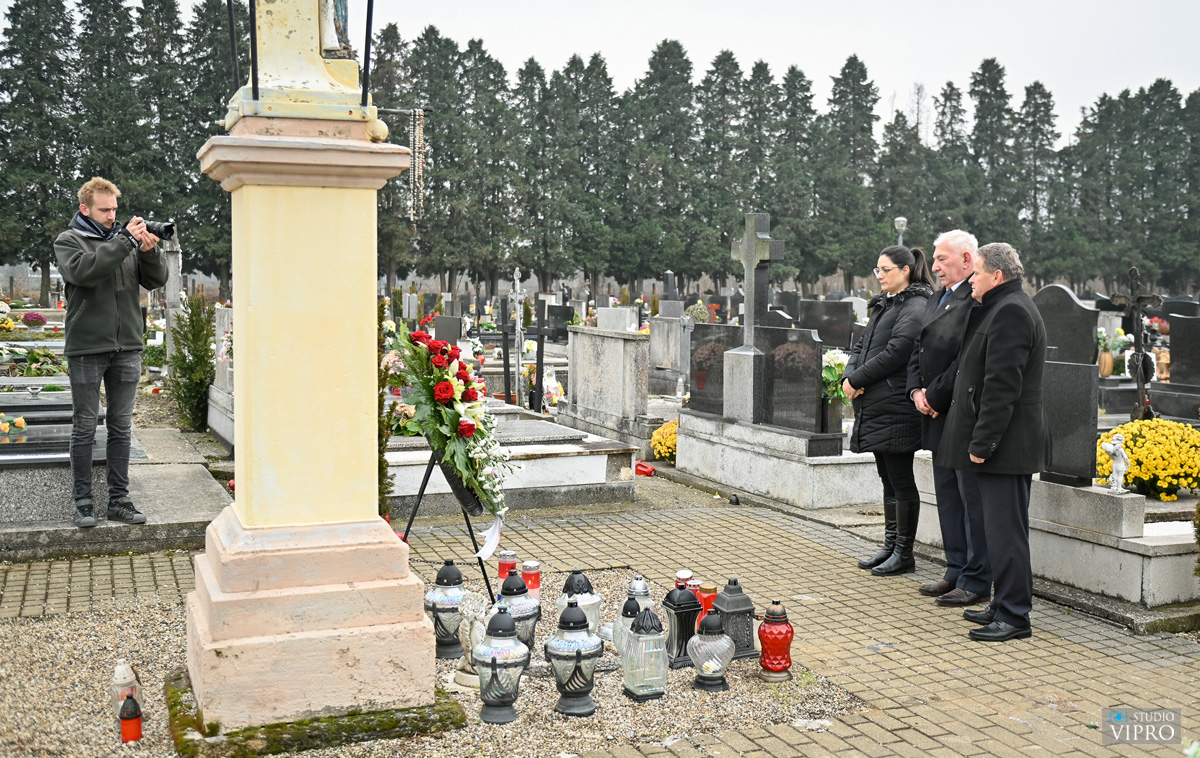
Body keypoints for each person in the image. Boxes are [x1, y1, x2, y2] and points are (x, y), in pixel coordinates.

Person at [935, 243, 1046, 642]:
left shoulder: (1012, 311)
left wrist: (982, 443)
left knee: (1006, 533)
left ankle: (1015, 616)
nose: (972, 280)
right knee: (999, 532)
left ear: (997, 276)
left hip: (1008, 445)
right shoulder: (999, 306)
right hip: (1003, 443)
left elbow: (1002, 388)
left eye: (977, 273)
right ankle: (1002, 604)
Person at [54, 177, 168, 529]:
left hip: (127, 346)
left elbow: (156, 280)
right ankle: (83, 502)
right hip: (87, 347)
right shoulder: (69, 240)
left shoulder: (125, 241)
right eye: (104, 210)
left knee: (121, 426)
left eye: (114, 209)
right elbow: (84, 272)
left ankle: (119, 500)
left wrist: (149, 252)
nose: (111, 216)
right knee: (85, 426)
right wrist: (125, 241)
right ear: (85, 209)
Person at [905, 230, 992, 609]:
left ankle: (977, 578)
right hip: (934, 413)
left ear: (967, 260)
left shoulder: (975, 298)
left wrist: (934, 396)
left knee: (971, 499)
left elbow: (966, 358)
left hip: (957, 410)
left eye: (942, 259)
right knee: (948, 496)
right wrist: (915, 391)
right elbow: (918, 348)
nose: (935, 266)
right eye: (936, 259)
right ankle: (955, 569)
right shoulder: (937, 296)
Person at [844, 246, 934, 576]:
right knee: (888, 479)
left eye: (885, 270)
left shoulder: (916, 304)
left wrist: (858, 379)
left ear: (905, 270)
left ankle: (904, 553)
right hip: (879, 405)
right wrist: (847, 376)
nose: (879, 276)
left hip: (896, 407)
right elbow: (861, 345)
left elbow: (898, 351)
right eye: (877, 270)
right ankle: (890, 545)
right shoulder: (888, 304)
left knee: (900, 479)